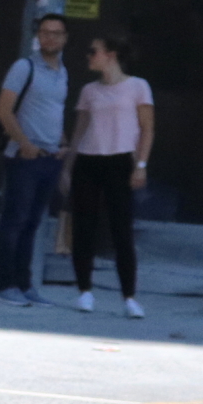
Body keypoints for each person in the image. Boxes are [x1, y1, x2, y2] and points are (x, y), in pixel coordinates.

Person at [63, 33, 154, 318]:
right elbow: (80, 129)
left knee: (121, 229)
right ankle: (84, 291)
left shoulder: (138, 86)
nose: (89, 56)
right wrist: (68, 166)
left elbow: (147, 129)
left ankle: (129, 296)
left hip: (120, 160)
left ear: (111, 55)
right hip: (89, 160)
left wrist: (141, 164)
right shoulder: (89, 90)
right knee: (84, 227)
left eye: (94, 51)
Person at [0, 12, 72, 306]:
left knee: (32, 224)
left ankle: (24, 285)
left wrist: (64, 144)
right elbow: (4, 109)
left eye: (56, 33)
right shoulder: (23, 67)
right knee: (15, 221)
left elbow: (53, 112)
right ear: (38, 36)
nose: (49, 37)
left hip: (50, 158)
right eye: (45, 32)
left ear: (65, 38)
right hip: (24, 157)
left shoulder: (62, 72)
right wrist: (23, 143)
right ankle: (4, 284)